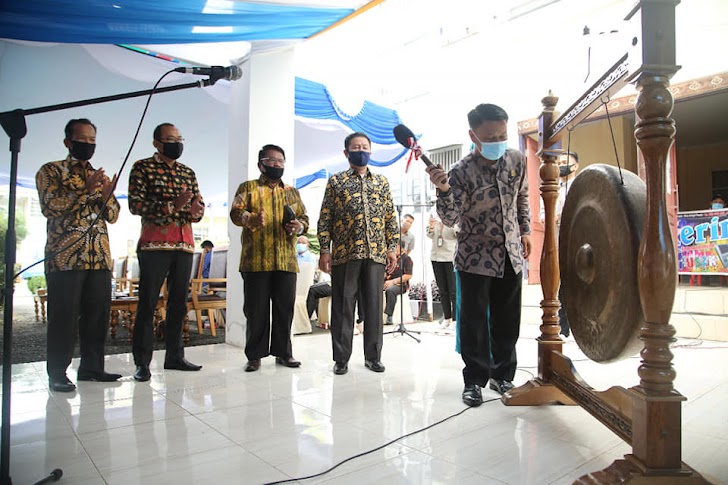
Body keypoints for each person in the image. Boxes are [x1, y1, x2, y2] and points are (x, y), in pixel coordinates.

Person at [427, 103, 532, 406]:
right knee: (473, 324)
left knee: (507, 320)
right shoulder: (460, 172)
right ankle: (474, 380)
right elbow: (449, 217)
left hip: (510, 254)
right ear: (473, 135)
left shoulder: (516, 159)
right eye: (491, 136)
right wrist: (444, 190)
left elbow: (521, 198)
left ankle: (503, 375)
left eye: (503, 134)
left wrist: (525, 231)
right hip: (475, 257)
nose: (499, 140)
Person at [36, 118, 122, 392]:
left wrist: (108, 195)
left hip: (99, 257)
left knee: (97, 315)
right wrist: (85, 191)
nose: (88, 145)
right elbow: (51, 207)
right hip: (65, 258)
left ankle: (92, 368)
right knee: (64, 317)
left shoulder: (99, 174)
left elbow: (113, 215)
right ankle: (57, 372)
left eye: (92, 141)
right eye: (82, 140)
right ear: (68, 142)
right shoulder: (51, 171)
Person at [128, 122, 205, 382]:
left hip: (184, 245)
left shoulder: (188, 172)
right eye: (171, 138)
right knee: (148, 303)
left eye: (179, 137)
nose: (176, 142)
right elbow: (135, 204)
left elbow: (198, 204)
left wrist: (196, 211)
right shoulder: (142, 167)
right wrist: (173, 205)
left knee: (177, 304)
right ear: (157, 143)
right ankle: (142, 363)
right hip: (154, 245)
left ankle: (175, 356)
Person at [318, 131, 399, 375]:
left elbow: (389, 218)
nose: (361, 150)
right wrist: (324, 249)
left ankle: (373, 357)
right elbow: (326, 217)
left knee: (374, 307)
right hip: (345, 254)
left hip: (376, 254)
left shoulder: (382, 182)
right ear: (346, 153)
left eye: (365, 146)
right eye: (356, 147)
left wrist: (392, 247)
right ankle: (341, 358)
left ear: (371, 151)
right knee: (343, 306)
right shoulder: (336, 182)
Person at [230, 144, 309, 372]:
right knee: (256, 310)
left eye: (280, 161)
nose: (276, 164)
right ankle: (254, 356)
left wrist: (299, 225)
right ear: (260, 164)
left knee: (285, 310)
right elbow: (236, 212)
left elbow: (305, 218)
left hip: (286, 260)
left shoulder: (292, 192)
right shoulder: (249, 188)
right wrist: (251, 219)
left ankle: (284, 353)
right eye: (271, 160)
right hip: (256, 260)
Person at [539, 151, 580, 337]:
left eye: (566, 162)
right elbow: (542, 216)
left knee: (576, 286)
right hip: (557, 243)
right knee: (558, 287)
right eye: (560, 162)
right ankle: (563, 328)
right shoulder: (553, 187)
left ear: (575, 166)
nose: (562, 165)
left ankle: (578, 327)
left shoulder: (582, 186)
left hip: (577, 243)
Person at [427, 212, 458, 331]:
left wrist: (448, 222)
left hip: (450, 257)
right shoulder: (433, 216)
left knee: (453, 290)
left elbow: (457, 233)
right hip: (436, 256)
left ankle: (455, 320)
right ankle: (447, 318)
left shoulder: (453, 217)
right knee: (442, 290)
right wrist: (430, 226)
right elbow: (429, 234)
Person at [383, 242, 413, 325]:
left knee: (390, 290)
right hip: (387, 281)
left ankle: (389, 316)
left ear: (401, 247)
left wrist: (393, 282)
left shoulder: (406, 259)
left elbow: (408, 275)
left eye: (395, 247)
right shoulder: (390, 258)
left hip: (400, 284)